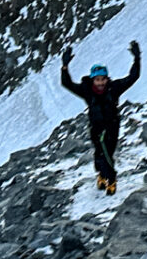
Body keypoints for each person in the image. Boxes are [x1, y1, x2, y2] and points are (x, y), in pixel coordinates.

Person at [60, 41, 141, 195]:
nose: (101, 83)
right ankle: (102, 176)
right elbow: (66, 83)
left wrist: (137, 59)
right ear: (93, 80)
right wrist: (64, 67)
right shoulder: (87, 91)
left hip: (111, 126)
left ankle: (111, 180)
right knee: (98, 154)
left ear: (106, 79)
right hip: (96, 127)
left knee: (107, 154)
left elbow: (133, 77)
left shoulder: (113, 88)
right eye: (98, 80)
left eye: (103, 79)